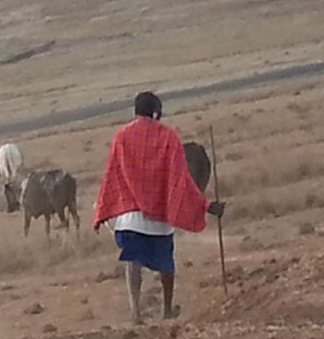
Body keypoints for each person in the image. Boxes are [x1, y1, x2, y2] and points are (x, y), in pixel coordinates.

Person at [93, 91, 226, 323]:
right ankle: (166, 310)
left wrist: (103, 209)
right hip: (160, 218)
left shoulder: (121, 137)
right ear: (156, 112)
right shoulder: (169, 137)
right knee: (166, 263)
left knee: (132, 261)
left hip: (129, 216)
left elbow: (112, 176)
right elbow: (180, 179)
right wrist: (206, 206)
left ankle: (135, 312)